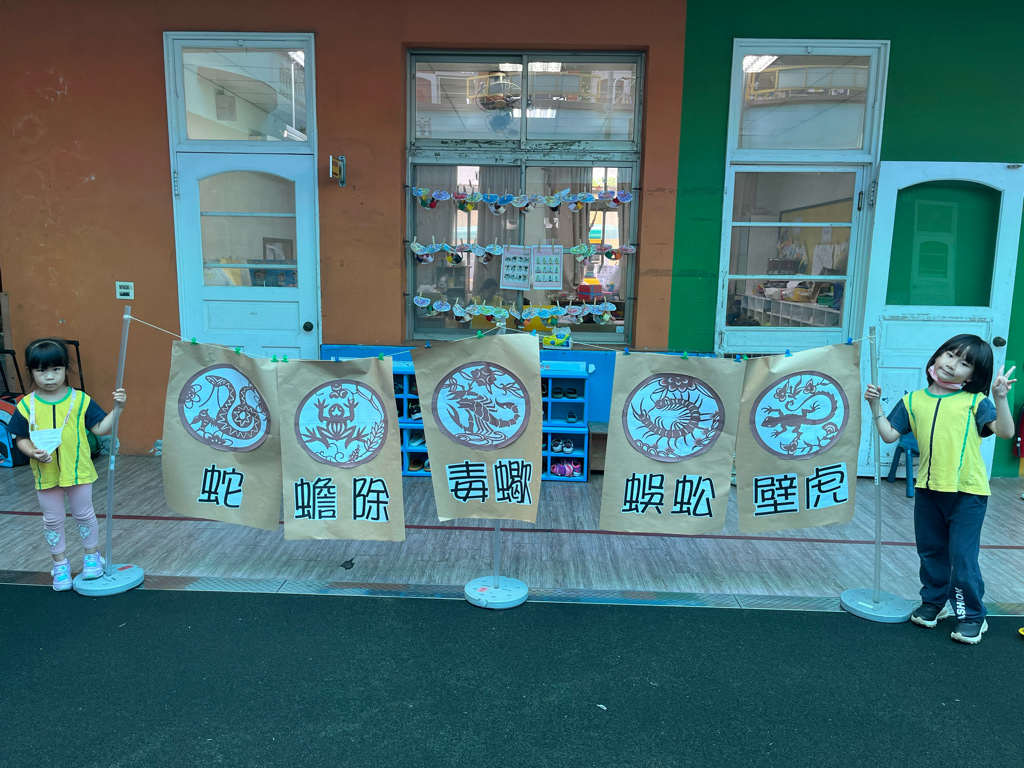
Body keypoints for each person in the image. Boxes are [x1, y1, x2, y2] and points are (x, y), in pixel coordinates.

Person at [864, 334, 1016, 644]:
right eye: (949, 355)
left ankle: (973, 616)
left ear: (971, 376)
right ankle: (934, 603)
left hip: (968, 493)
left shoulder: (975, 402)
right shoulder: (912, 401)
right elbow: (889, 435)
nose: (952, 364)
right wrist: (875, 405)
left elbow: (1005, 431)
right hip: (928, 490)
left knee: (962, 558)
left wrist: (1000, 397)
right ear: (937, 356)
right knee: (931, 552)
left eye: (964, 363)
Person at [8, 339, 127, 591]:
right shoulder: (26, 405)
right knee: (52, 520)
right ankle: (60, 565)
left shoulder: (80, 400)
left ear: (66, 369)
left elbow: (100, 429)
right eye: (41, 370)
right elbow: (20, 439)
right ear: (31, 372)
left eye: (56, 369)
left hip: (78, 471)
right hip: (45, 473)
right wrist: (31, 452)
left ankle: (91, 558)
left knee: (84, 515)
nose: (50, 376)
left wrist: (118, 409)